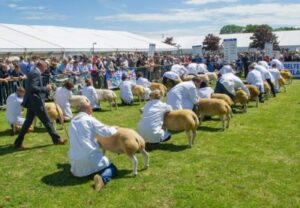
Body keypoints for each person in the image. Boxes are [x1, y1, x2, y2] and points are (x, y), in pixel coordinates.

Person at [14, 60, 66, 149]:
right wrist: (46, 88)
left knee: (27, 123)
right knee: (47, 121)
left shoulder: (32, 71)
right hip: (35, 101)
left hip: (32, 101)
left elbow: (33, 86)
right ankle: (57, 139)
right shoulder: (35, 73)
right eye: (45, 66)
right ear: (41, 65)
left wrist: (45, 87)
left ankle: (18, 143)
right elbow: (33, 87)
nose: (46, 69)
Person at [68, 101, 118, 192]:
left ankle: (91, 172)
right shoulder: (90, 120)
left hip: (75, 161)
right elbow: (106, 132)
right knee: (112, 167)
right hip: (90, 156)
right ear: (88, 109)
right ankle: (102, 179)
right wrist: (115, 128)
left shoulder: (72, 121)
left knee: (84, 165)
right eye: (91, 107)